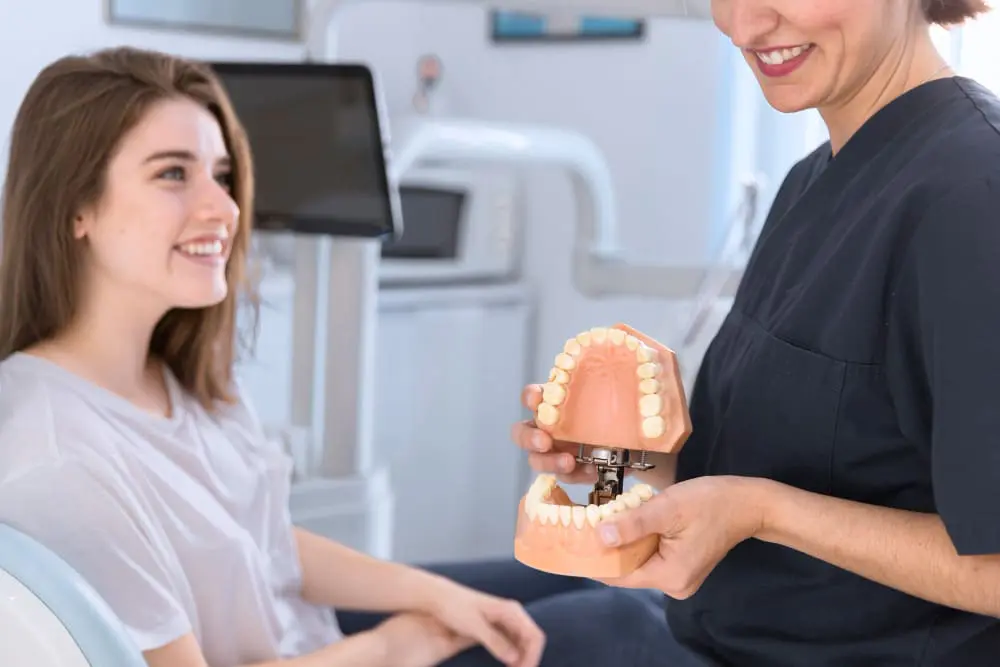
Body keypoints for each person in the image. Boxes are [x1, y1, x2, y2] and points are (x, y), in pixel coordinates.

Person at [0, 47, 670, 667]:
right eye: (173, 173)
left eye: (223, 174)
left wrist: (435, 596)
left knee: (604, 572)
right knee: (626, 625)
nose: (224, 208)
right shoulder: (58, 457)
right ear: (76, 207)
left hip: (312, 633)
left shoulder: (181, 374)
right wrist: (391, 647)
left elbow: (268, 545)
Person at [513, 0, 1000, 665]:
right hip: (700, 627)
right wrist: (613, 459)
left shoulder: (975, 199)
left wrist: (762, 510)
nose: (743, 26)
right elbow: (761, 470)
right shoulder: (810, 182)